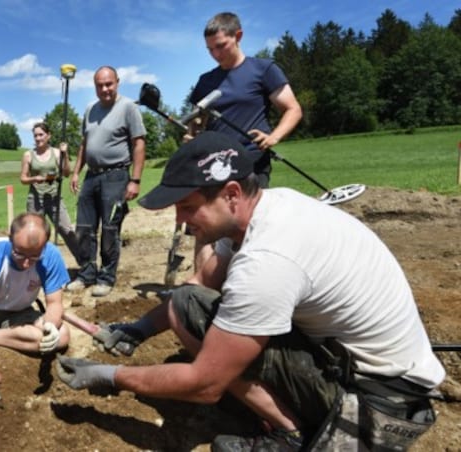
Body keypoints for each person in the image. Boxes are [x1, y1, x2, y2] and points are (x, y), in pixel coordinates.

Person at [57, 131, 445, 450]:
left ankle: (288, 434)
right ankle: (288, 413)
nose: (180, 220)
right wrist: (137, 330)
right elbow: (195, 289)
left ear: (230, 194)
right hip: (366, 367)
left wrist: (110, 375)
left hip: (376, 403)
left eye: (188, 206)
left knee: (214, 362)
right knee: (187, 302)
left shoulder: (268, 258)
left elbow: (205, 385)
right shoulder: (267, 209)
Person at [185, 11, 304, 271]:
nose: (215, 54)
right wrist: (191, 136)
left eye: (220, 46)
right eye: (209, 49)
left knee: (248, 231)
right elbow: (196, 121)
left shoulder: (263, 69)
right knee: (205, 228)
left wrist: (274, 137)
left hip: (251, 166)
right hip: (213, 168)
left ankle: (248, 286)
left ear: (238, 36)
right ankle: (200, 291)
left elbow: (293, 109)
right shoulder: (206, 81)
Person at [66, 66, 147, 297]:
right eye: (100, 85)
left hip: (116, 175)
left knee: (110, 230)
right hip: (91, 175)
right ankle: (87, 273)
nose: (104, 89)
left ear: (117, 82)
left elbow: (139, 144)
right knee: (84, 228)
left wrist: (135, 180)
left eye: (108, 84)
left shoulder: (128, 108)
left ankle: (106, 277)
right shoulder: (90, 109)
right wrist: (75, 172)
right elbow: (85, 143)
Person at [0, 212, 70, 361]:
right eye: (19, 254)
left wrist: (50, 326)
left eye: (34, 257)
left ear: (44, 245)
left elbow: (54, 304)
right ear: (10, 239)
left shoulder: (51, 257)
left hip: (18, 312)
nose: (26, 263)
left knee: (62, 336)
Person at [19, 122, 80, 260]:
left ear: (48, 136)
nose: (38, 138)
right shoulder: (28, 155)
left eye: (41, 135)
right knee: (35, 234)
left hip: (54, 199)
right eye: (35, 136)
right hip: (35, 201)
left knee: (67, 230)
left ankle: (84, 264)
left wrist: (65, 154)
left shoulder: (57, 153)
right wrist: (34, 178)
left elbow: (66, 173)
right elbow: (23, 178)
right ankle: (35, 267)